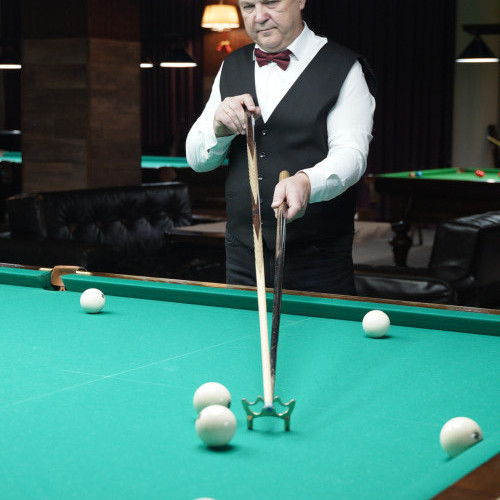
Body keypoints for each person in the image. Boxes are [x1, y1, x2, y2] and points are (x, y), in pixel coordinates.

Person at [186, 0, 376, 294]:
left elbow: (352, 155)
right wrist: (218, 129)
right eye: (249, 6)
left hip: (317, 261)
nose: (260, 16)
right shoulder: (231, 65)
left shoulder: (344, 67)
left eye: (271, 2)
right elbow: (197, 160)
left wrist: (307, 182)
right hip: (243, 257)